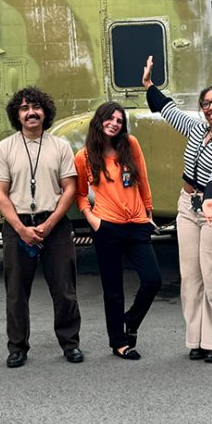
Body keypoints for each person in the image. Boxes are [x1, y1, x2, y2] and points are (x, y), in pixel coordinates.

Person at [142, 57, 212, 361]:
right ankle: (196, 339)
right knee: (191, 276)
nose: (211, 107)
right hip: (187, 206)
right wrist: (149, 85)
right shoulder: (198, 129)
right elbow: (169, 111)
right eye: (206, 103)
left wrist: (211, 198)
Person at [0, 87, 83, 368]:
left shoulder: (60, 146)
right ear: (16, 116)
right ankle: (17, 347)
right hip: (17, 226)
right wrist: (21, 229)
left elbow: (70, 188)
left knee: (64, 288)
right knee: (17, 291)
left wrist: (50, 222)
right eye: (23, 109)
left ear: (45, 112)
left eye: (35, 107)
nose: (30, 113)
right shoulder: (4, 148)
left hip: (53, 224)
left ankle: (70, 344)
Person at [74, 102, 161, 359]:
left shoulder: (130, 145)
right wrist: (91, 219)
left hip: (137, 226)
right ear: (99, 121)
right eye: (109, 119)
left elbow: (143, 180)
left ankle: (130, 320)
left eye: (119, 120)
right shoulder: (85, 157)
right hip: (106, 227)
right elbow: (79, 194)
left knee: (153, 280)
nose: (114, 123)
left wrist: (148, 213)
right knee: (113, 289)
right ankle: (119, 342)